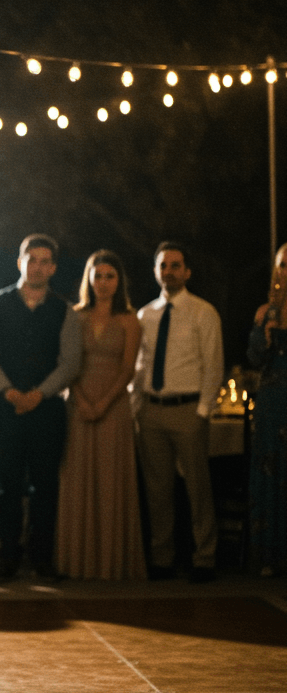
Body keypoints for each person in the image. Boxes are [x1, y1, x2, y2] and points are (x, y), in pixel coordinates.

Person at [0, 234, 82, 580]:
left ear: (52, 267)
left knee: (45, 488)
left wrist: (39, 394)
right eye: (30, 259)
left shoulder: (63, 310)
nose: (37, 266)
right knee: (9, 487)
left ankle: (42, 559)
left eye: (44, 261)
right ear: (20, 262)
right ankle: (7, 558)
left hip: (48, 411)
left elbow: (70, 362)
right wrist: (10, 392)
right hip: (5, 410)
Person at [133, 242, 224, 583]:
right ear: (156, 272)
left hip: (188, 410)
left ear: (187, 272)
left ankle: (204, 556)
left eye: (175, 265)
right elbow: (140, 367)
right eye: (163, 266)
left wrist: (202, 412)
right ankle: (162, 557)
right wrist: (137, 409)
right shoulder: (145, 315)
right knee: (158, 491)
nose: (169, 271)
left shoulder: (203, 312)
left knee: (198, 488)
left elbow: (213, 365)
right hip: (152, 411)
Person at [56, 251, 145, 579]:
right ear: (88, 280)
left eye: (110, 276)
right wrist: (81, 399)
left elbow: (128, 369)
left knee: (110, 482)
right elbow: (67, 364)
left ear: (119, 281)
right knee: (77, 480)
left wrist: (103, 403)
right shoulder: (74, 316)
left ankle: (111, 563)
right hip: (78, 405)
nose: (103, 282)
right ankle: (76, 562)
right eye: (98, 276)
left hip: (114, 406)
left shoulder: (129, 319)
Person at [246, 242, 287, 576]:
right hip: (273, 403)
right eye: (284, 264)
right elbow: (254, 358)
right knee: (271, 471)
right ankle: (270, 555)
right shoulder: (265, 312)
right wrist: (267, 335)